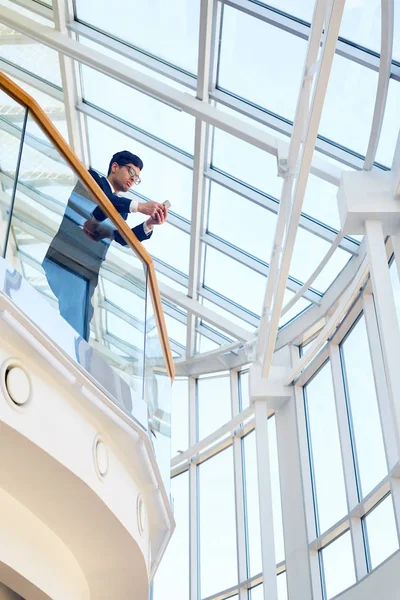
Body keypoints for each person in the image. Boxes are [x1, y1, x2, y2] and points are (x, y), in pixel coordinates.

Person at [42, 150, 167, 341]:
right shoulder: (92, 179)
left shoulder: (121, 211)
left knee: (81, 320)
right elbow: (104, 204)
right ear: (115, 167)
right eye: (131, 172)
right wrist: (139, 206)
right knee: (75, 322)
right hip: (66, 258)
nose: (133, 180)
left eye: (137, 178)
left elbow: (122, 238)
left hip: (86, 270)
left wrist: (149, 223)